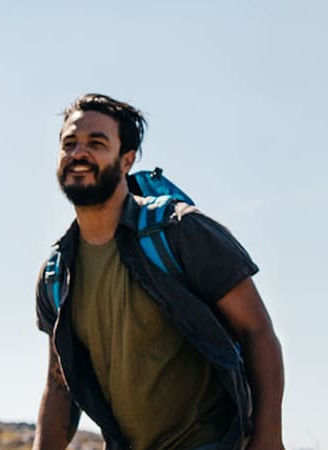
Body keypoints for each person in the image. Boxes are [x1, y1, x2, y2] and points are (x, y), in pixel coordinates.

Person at [32, 93, 285, 450]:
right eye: (69, 143)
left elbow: (256, 329)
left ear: (127, 160)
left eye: (96, 143)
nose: (78, 154)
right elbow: (59, 385)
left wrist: (268, 436)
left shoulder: (179, 231)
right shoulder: (56, 274)